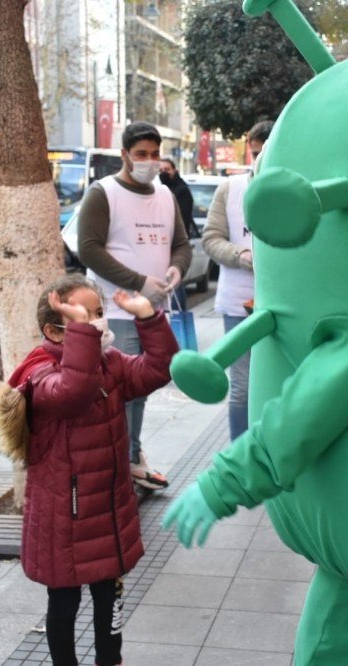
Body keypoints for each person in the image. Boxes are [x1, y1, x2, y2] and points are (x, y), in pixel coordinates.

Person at [1, 274, 177, 666]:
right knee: (64, 602)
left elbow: (157, 371)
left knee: (109, 601)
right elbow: (73, 392)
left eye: (98, 313)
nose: (98, 322)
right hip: (64, 515)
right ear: (54, 329)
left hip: (108, 511)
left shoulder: (109, 363)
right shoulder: (39, 373)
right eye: (84, 317)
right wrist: (84, 335)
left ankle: (109, 661)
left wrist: (148, 318)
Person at [78, 121, 192, 490]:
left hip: (154, 311)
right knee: (119, 392)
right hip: (116, 310)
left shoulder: (165, 196)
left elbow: (182, 244)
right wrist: (138, 282)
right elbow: (89, 249)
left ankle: (130, 457)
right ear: (125, 154)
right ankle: (119, 465)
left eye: (155, 154)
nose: (149, 161)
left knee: (140, 388)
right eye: (141, 154)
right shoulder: (103, 193)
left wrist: (176, 270)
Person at [201, 119, 273, 441]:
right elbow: (211, 238)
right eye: (255, 154)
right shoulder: (231, 189)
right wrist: (241, 256)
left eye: (266, 155)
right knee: (242, 388)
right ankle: (239, 460)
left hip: (283, 304)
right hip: (238, 303)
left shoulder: (293, 190)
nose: (259, 163)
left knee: (277, 383)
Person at [160, 158, 197, 311]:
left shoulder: (181, 191)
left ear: (174, 170)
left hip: (175, 245)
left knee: (175, 283)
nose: (163, 173)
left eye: (167, 169)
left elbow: (181, 219)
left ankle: (178, 316)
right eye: (161, 170)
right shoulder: (161, 189)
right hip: (163, 245)